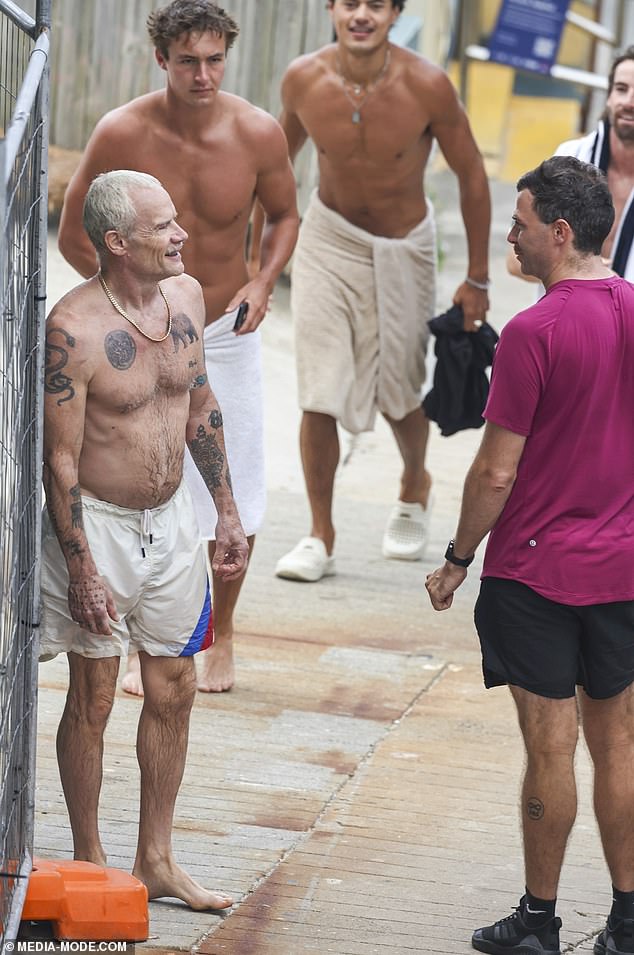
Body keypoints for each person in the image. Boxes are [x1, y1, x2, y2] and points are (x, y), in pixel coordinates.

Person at [57, 0, 299, 693]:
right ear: (161, 58)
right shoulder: (121, 131)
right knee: (139, 478)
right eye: (188, 60)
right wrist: (120, 304)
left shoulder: (257, 132)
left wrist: (263, 277)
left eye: (215, 59)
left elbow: (284, 213)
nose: (203, 74)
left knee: (236, 485)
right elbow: (74, 228)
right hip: (135, 334)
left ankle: (219, 636)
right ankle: (150, 638)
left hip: (224, 327)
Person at [426, 156, 634, 955]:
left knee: (550, 747)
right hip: (621, 572)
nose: (507, 235)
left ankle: (540, 923)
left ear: (559, 230)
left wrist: (455, 555)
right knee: (617, 744)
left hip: (538, 573)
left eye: (518, 223)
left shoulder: (534, 331)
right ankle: (626, 922)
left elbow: (495, 469)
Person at [42, 170, 249, 908]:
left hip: (174, 522)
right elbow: (59, 460)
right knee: (94, 694)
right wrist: (81, 568)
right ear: (117, 241)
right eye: (164, 227)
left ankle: (156, 858)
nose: (181, 235)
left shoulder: (187, 297)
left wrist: (224, 509)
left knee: (177, 684)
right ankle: (92, 862)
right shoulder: (74, 327)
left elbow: (199, 403)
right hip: (99, 523)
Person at [268, 0, 491, 583]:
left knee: (400, 387)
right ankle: (321, 533)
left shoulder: (427, 85)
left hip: (403, 247)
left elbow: (470, 173)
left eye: (375, 4)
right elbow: (273, 167)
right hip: (329, 238)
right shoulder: (303, 78)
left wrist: (477, 277)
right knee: (320, 386)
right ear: (331, 9)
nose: (360, 14)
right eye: (349, 3)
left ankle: (415, 480)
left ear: (394, 13)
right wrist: (256, 266)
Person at [507, 44, 634, 283]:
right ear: (608, 97)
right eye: (621, 89)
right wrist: (590, 277)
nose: (629, 102)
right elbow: (515, 259)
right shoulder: (571, 157)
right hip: (564, 314)